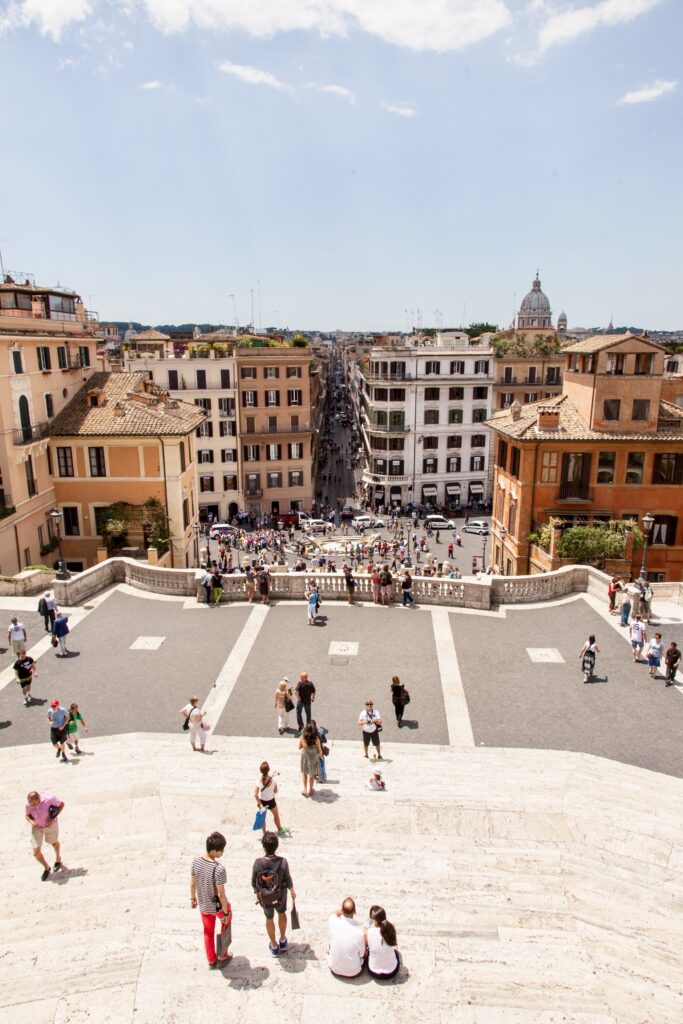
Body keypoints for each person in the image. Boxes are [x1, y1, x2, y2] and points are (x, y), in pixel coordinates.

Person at [190, 831, 232, 969]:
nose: (222, 853)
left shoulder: (196, 861)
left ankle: (211, 960)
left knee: (208, 931)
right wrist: (225, 913)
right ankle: (223, 955)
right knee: (225, 924)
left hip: (203, 906)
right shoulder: (218, 869)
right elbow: (221, 894)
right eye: (221, 850)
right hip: (216, 907)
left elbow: (192, 883)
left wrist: (193, 898)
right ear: (214, 851)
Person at [252, 830, 296, 956]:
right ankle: (282, 939)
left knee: (269, 918)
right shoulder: (283, 862)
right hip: (280, 894)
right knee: (282, 913)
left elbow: (253, 882)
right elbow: (287, 878)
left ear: (263, 846)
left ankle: (274, 945)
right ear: (276, 846)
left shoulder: (258, 863)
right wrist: (292, 890)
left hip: (265, 896)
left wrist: (258, 894)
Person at [25, 791, 64, 881]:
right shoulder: (28, 805)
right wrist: (32, 822)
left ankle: (58, 859)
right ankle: (47, 867)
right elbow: (27, 815)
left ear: (39, 799)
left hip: (50, 825)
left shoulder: (49, 799)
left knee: (54, 843)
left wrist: (52, 819)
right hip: (37, 827)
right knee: (35, 852)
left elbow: (61, 804)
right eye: (31, 804)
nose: (32, 806)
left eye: (34, 803)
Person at [328, 897, 366, 978]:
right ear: (354, 911)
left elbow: (333, 914)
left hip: (334, 969)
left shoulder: (333, 921)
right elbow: (362, 954)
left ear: (342, 910)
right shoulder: (360, 932)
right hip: (353, 972)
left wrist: (341, 911)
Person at [365, 905, 400, 979]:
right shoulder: (391, 928)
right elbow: (394, 943)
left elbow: (366, 946)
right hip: (392, 972)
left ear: (373, 920)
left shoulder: (368, 932)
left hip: (374, 972)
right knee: (396, 952)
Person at [255, 761, 288, 835]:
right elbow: (276, 791)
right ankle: (280, 829)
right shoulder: (273, 781)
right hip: (271, 801)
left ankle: (264, 833)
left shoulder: (258, 781)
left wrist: (260, 804)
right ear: (268, 770)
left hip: (262, 802)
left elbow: (255, 794)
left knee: (263, 818)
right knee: (276, 815)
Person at [299, 723, 321, 797]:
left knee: (304, 773)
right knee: (312, 775)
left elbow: (299, 747)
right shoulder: (316, 739)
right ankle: (311, 789)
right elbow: (320, 751)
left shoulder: (303, 737)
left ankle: (305, 789)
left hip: (305, 756)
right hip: (313, 758)